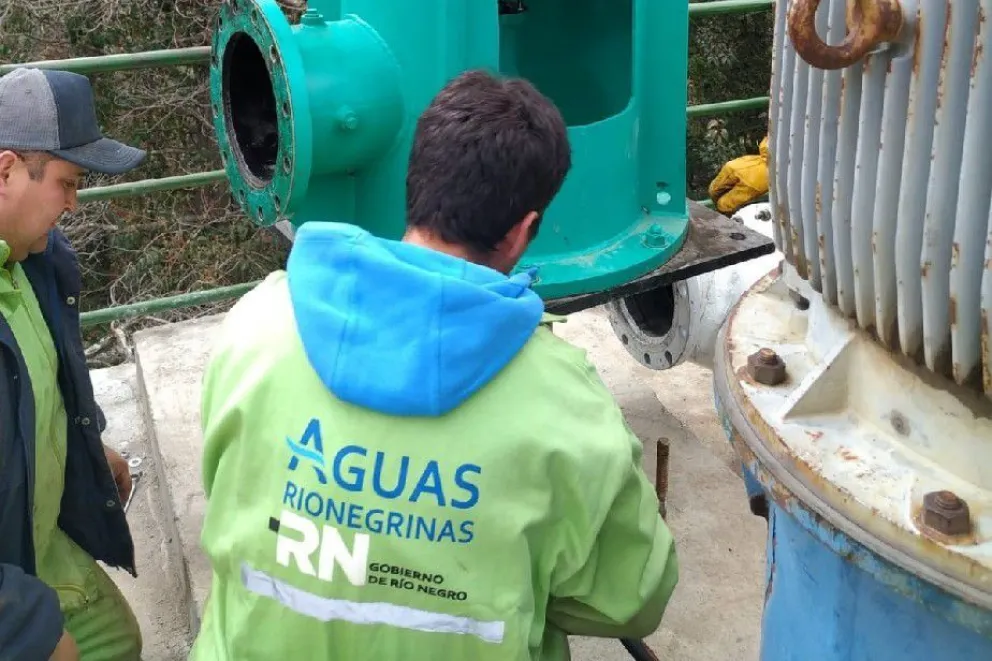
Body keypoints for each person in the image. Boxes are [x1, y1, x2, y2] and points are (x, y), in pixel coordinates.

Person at [193, 69, 679, 661]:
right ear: (524, 230)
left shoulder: (257, 325)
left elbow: (226, 491)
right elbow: (631, 599)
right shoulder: (564, 401)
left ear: (416, 182)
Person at [0, 67, 147, 661]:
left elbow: (44, 381)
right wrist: (21, 629)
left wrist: (85, 448)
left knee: (119, 640)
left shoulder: (36, 258)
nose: (74, 202)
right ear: (5, 170)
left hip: (42, 545)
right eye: (66, 181)